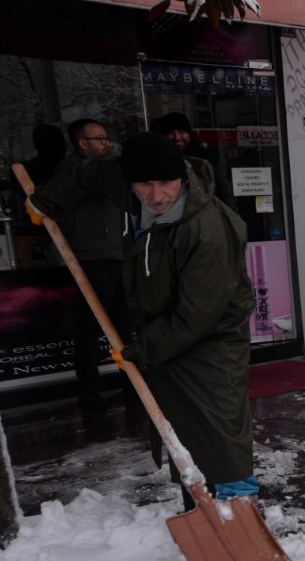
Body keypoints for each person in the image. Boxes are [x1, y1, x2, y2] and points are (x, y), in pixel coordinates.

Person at [28, 131, 258, 507]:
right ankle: (197, 506)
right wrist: (45, 201)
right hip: (163, 324)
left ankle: (238, 503)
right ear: (130, 180)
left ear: (181, 177)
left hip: (213, 334)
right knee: (177, 422)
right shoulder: (121, 179)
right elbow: (90, 174)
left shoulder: (208, 230)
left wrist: (140, 351)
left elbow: (196, 315)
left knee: (220, 419)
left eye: (166, 183)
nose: (156, 196)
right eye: (145, 185)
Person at [57, 118, 131, 412]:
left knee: (124, 326)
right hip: (90, 258)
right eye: (99, 138)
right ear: (81, 143)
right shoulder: (70, 170)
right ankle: (89, 391)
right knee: (89, 328)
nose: (106, 143)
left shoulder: (107, 167)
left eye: (106, 138)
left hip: (116, 254)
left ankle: (132, 383)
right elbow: (94, 183)